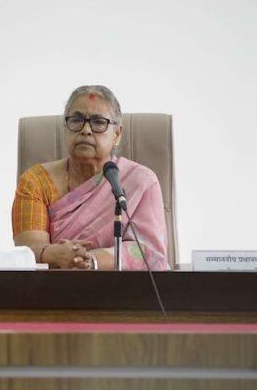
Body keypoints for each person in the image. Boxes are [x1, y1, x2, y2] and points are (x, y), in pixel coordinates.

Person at [11, 85, 170, 270]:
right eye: (77, 120)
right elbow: (28, 251)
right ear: (65, 127)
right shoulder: (36, 181)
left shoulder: (140, 181)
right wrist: (57, 254)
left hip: (124, 293)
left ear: (117, 134)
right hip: (51, 291)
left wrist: (90, 260)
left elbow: (148, 253)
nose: (86, 130)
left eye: (98, 122)